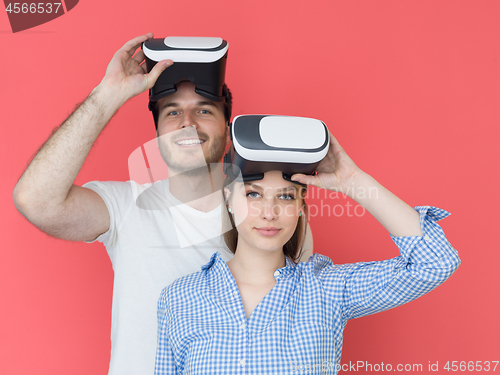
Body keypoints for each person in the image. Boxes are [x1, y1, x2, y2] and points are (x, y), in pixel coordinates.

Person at [11, 33, 314, 375]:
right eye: (173, 113)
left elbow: (297, 331)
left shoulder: (269, 218)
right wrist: (109, 93)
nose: (187, 123)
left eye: (203, 110)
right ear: (157, 131)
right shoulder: (125, 205)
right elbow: (35, 200)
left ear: (227, 130)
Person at [154, 132, 461, 374]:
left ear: (301, 206)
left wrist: (353, 182)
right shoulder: (179, 298)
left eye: (285, 197)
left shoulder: (327, 290)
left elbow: (434, 262)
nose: (270, 212)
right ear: (229, 199)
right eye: (253, 194)